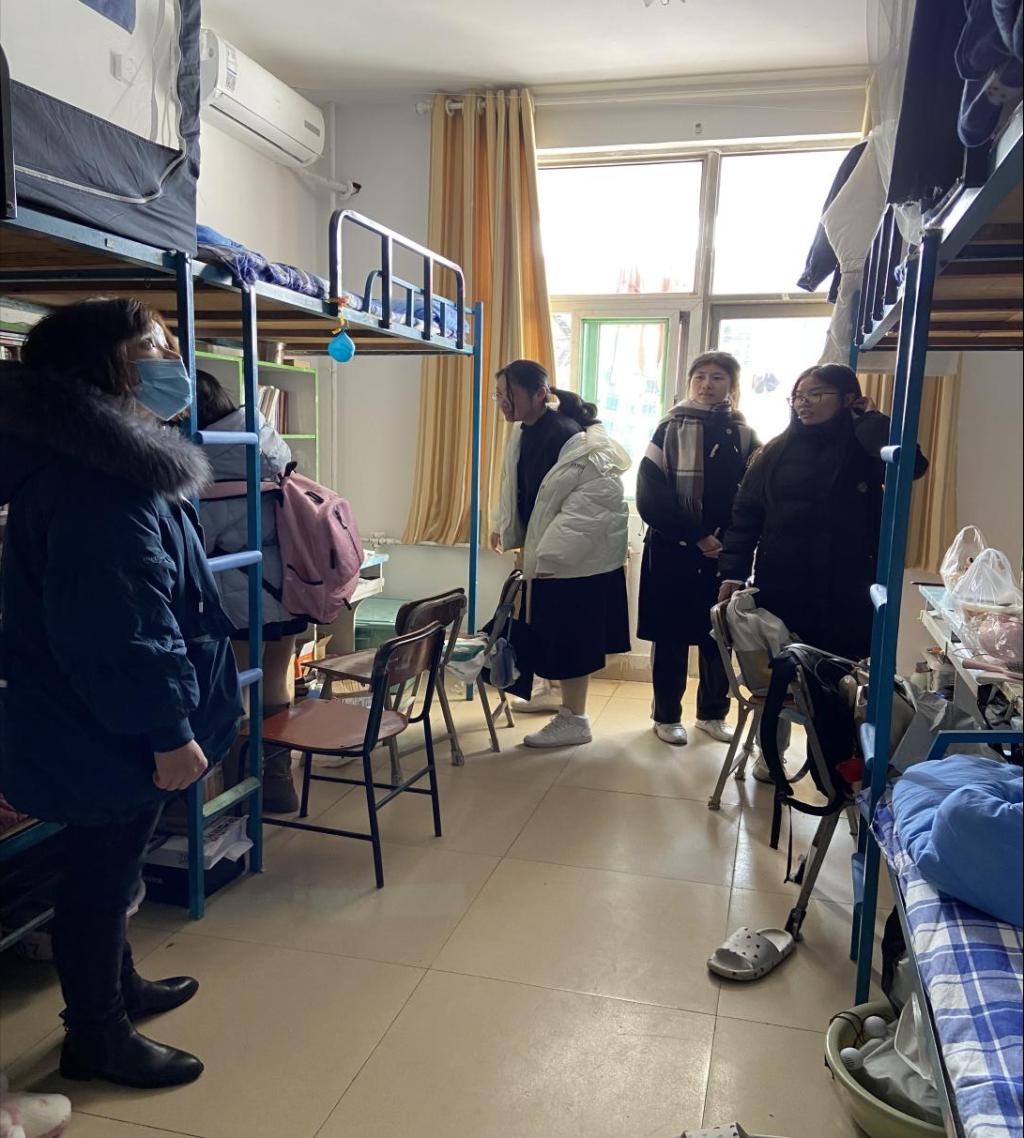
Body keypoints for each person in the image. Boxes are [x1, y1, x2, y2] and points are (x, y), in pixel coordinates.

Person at [0, 298, 244, 1089]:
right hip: (106, 728)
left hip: (102, 722)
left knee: (112, 867)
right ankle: (96, 1037)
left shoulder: (116, 462)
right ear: (105, 368)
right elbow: (121, 629)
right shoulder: (98, 483)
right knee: (99, 881)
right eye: (156, 347)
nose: (175, 361)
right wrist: (168, 730)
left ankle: (121, 987)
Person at [718, 363, 928, 660]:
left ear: (847, 398)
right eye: (798, 396)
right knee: (786, 674)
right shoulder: (774, 452)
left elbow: (912, 466)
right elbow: (745, 518)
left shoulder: (864, 448)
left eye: (815, 394)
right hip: (782, 585)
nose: (803, 402)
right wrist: (732, 573)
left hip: (847, 589)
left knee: (843, 674)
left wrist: (870, 420)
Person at [489, 360, 631, 748]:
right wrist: (503, 523)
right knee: (552, 633)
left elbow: (591, 506)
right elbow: (518, 487)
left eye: (508, 395)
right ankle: (555, 695)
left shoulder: (570, 436)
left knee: (573, 640)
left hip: (574, 560)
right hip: (553, 555)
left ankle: (575, 719)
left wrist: (548, 557)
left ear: (540, 394)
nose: (502, 403)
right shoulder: (525, 431)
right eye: (498, 395)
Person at [196, 371, 308, 813]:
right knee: (277, 680)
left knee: (237, 690)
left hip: (241, 594)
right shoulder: (265, 441)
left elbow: (198, 541)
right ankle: (278, 783)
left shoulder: (206, 459)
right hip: (286, 585)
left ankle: (243, 788)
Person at [637, 352, 760, 746]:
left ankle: (712, 713)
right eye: (700, 377)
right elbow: (649, 494)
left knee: (719, 635)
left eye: (718, 377)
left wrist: (731, 542)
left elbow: (755, 494)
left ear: (732, 386)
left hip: (725, 553)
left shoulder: (744, 433)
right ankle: (666, 716)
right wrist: (697, 535)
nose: (707, 384)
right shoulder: (668, 428)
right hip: (673, 548)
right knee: (670, 637)